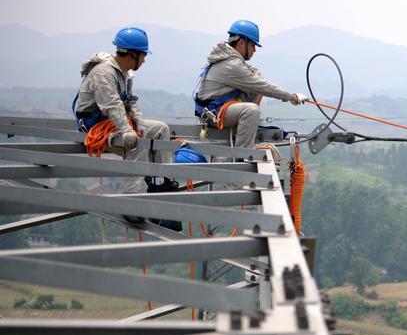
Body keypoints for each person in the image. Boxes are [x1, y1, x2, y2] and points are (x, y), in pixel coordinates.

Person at [73, 26, 180, 229]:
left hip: (115, 123)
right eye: (143, 55)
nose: (145, 60)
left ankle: (161, 183)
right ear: (133, 54)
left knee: (160, 129)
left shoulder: (123, 73)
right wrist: (128, 130)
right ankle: (131, 201)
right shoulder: (104, 73)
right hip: (96, 127)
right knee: (136, 143)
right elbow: (112, 104)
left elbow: (130, 103)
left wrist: (138, 123)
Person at [193, 20, 308, 148]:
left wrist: (256, 75)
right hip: (214, 113)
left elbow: (254, 75)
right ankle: (242, 155)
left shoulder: (230, 59)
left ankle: (244, 134)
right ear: (242, 42)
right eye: (252, 45)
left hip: (217, 108)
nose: (254, 50)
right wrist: (291, 97)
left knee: (255, 89)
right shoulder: (232, 65)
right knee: (251, 110)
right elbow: (263, 85)